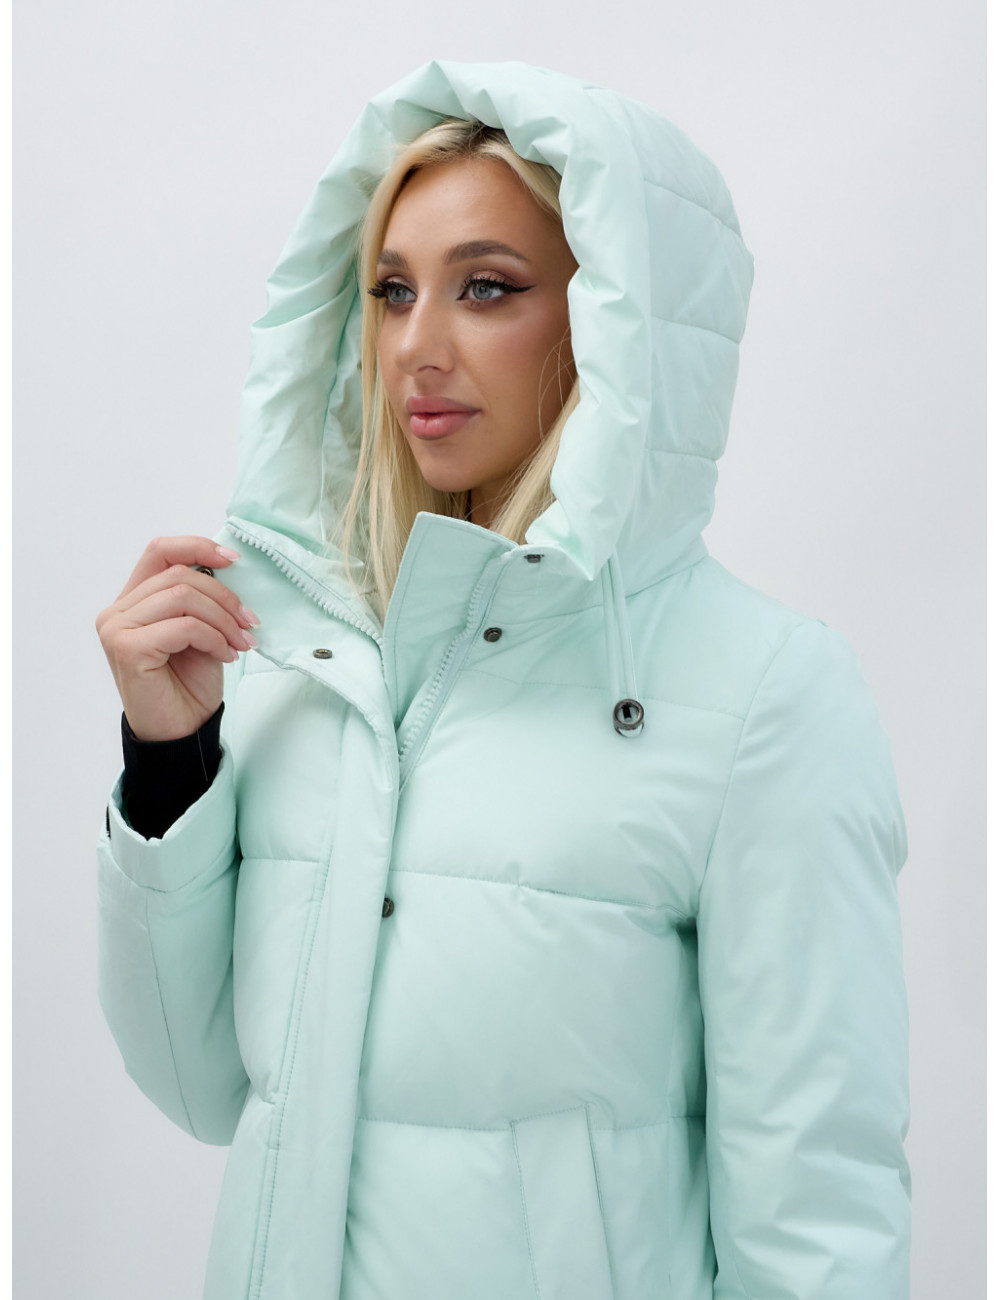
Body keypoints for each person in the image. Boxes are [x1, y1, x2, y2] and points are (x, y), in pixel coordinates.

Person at [95, 59, 911, 1300]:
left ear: (618, 323)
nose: (416, 347)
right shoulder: (318, 662)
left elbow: (817, 1217)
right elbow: (202, 1088)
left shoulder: (763, 693)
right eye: (391, 291)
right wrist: (171, 761)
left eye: (487, 287)